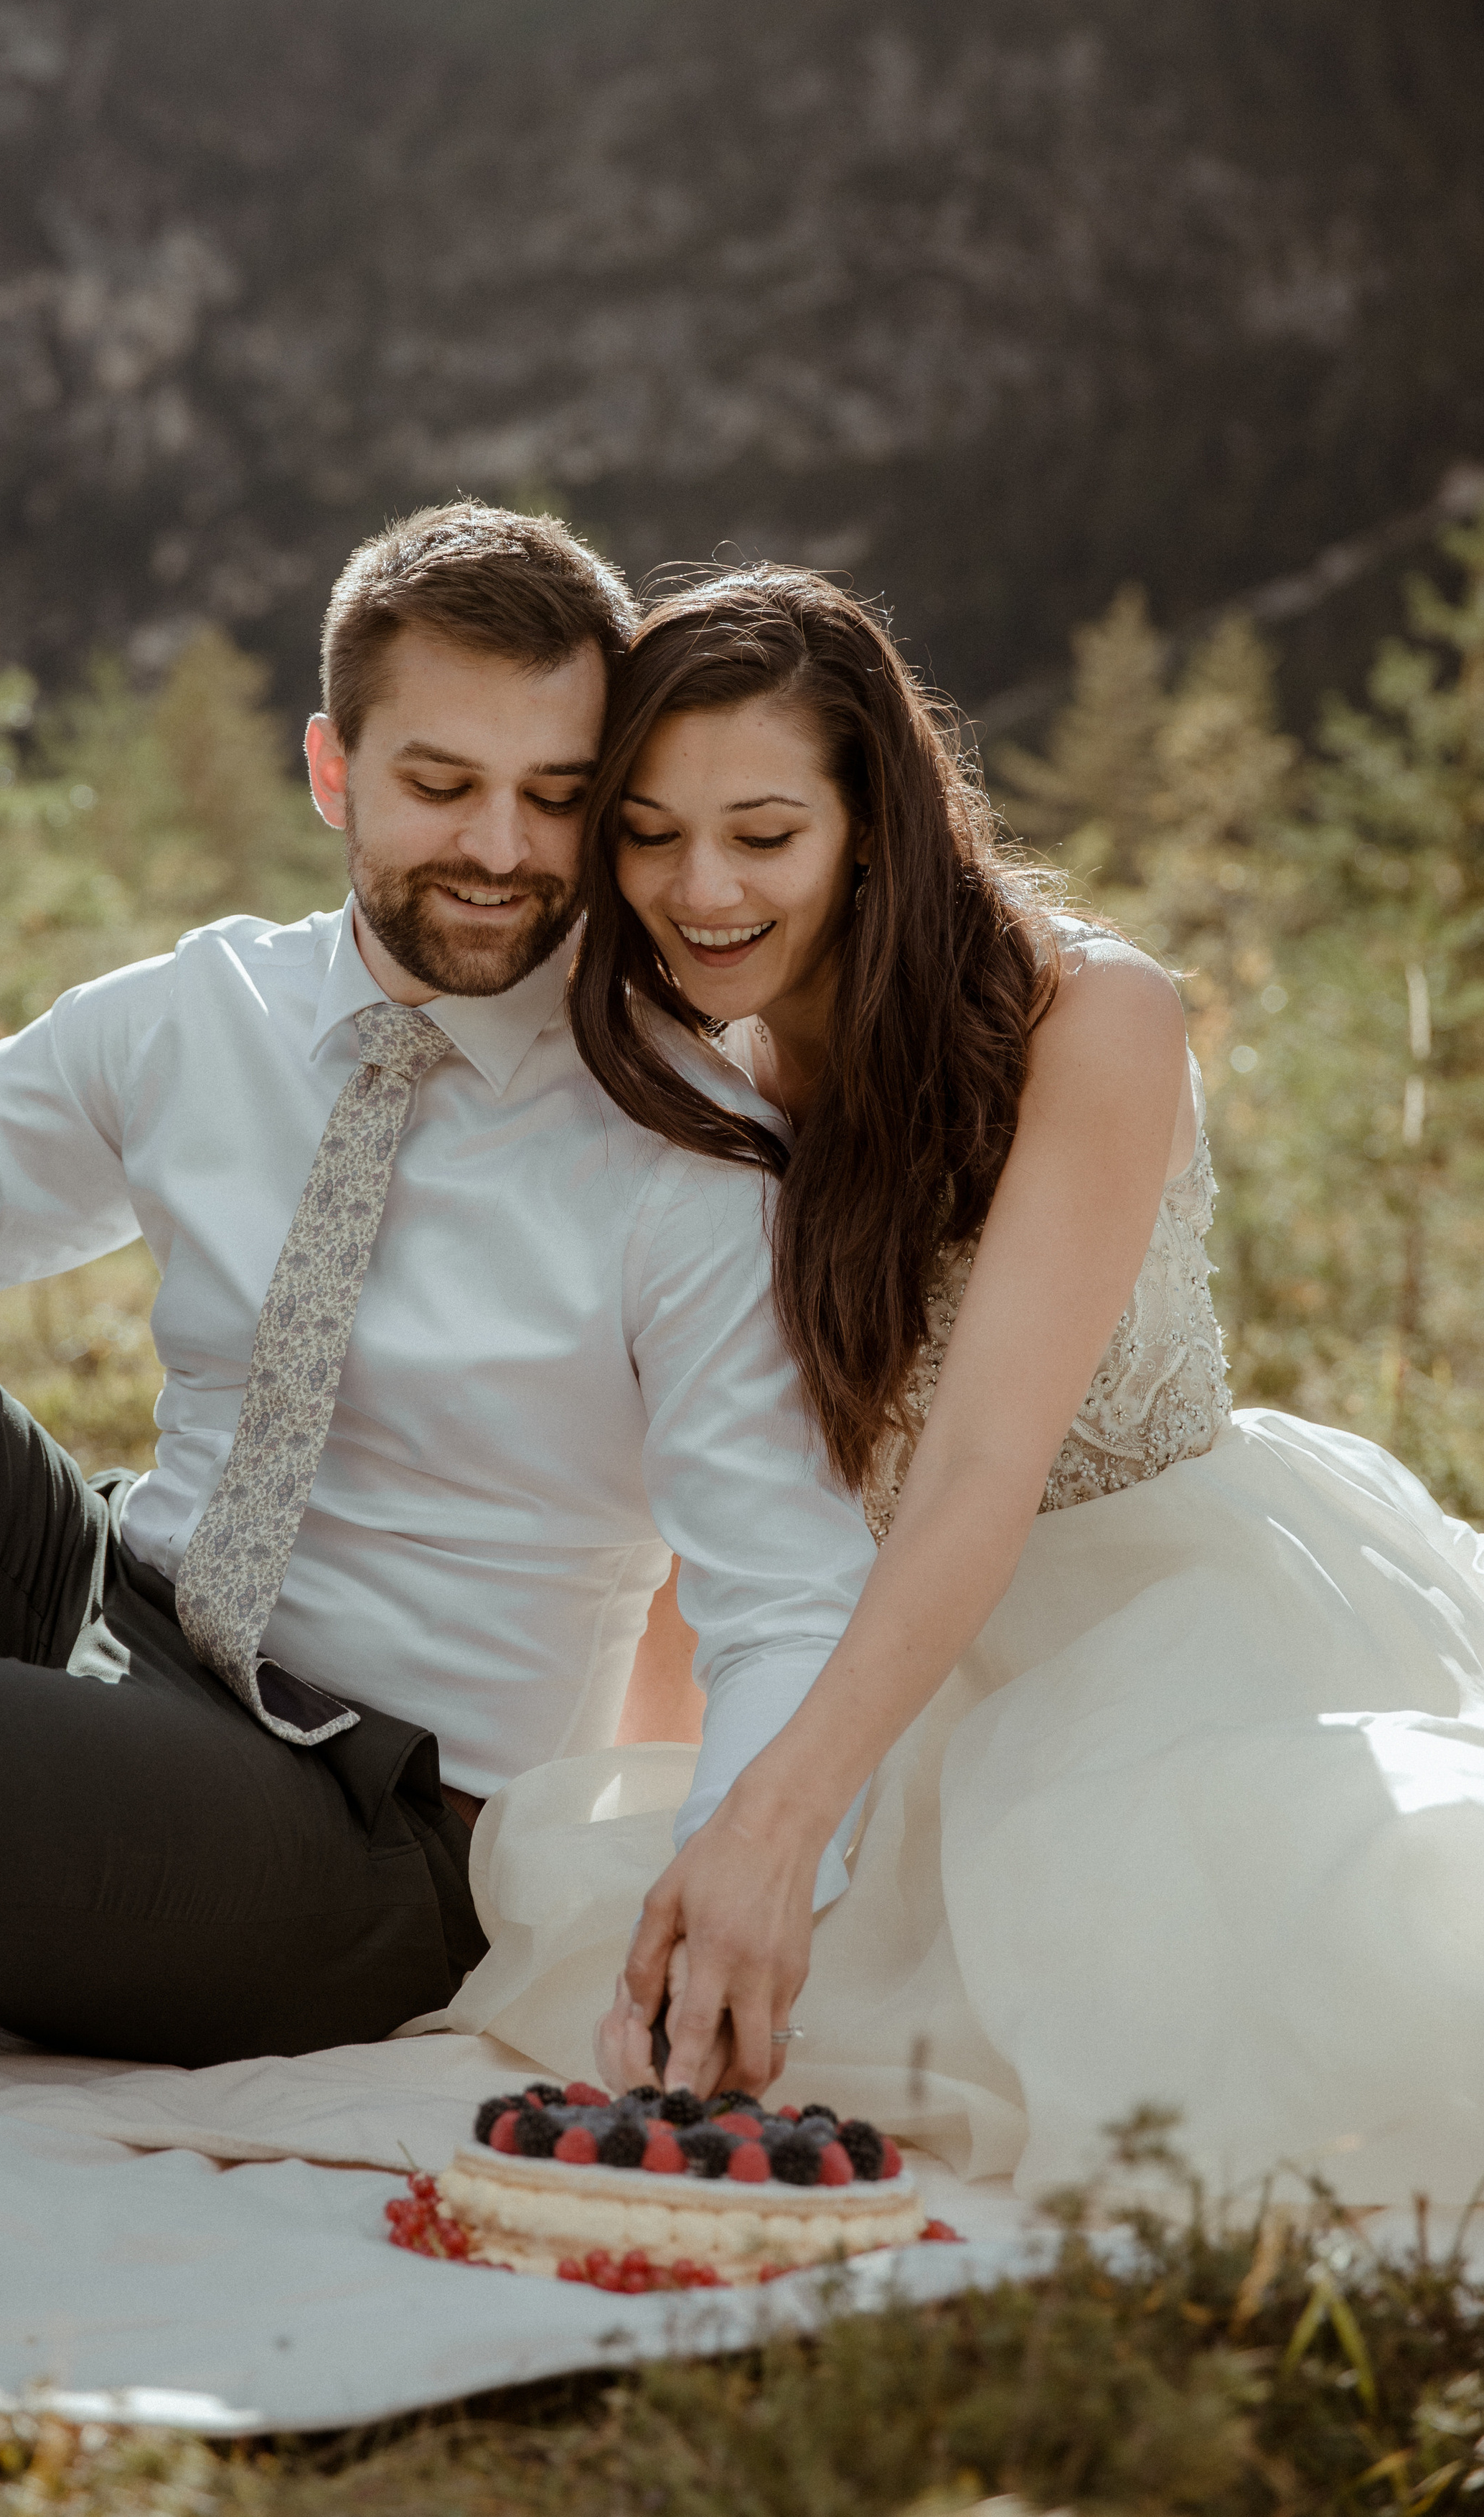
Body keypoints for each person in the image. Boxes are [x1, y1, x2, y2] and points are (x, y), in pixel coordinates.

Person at [0, 507, 881, 2067]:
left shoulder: (692, 1161)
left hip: (380, 1834)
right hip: (105, 1606)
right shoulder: (200, 1009)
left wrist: (745, 1874)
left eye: (556, 798)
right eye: (442, 785)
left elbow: (783, 1595)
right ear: (331, 771)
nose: (502, 849)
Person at [458, 563, 1484, 2208]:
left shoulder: (1091, 1014)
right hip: (872, 1657)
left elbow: (977, 1467)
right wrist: (668, 1809)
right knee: (625, 1969)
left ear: (874, 823)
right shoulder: (687, 1067)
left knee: (1289, 2009)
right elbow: (714, 1494)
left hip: (1165, 1636)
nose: (698, 889)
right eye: (647, 835)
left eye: (762, 834)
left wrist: (773, 1827)